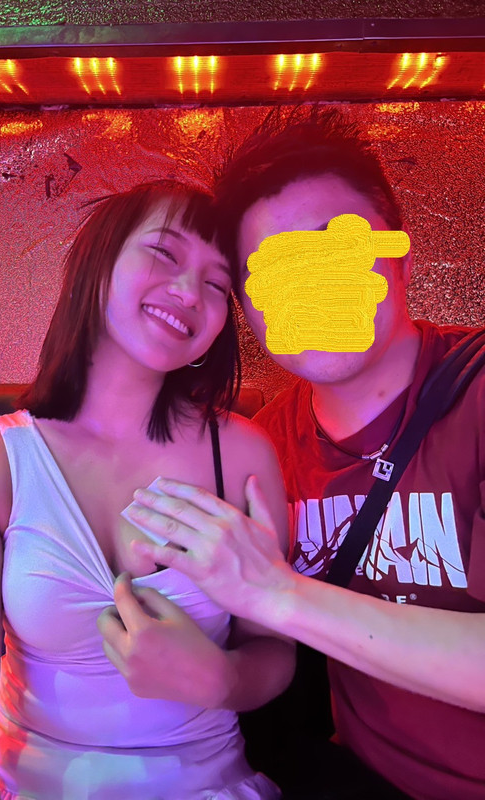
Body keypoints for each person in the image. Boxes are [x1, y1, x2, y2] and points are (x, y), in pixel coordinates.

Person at [128, 112, 485, 800]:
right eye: (277, 273)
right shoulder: (259, 447)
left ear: (401, 261)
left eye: (337, 253)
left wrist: (278, 593)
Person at [0, 180, 295, 800]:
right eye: (165, 253)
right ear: (98, 263)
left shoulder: (244, 453)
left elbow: (275, 647)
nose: (189, 292)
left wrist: (221, 679)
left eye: (216, 283)